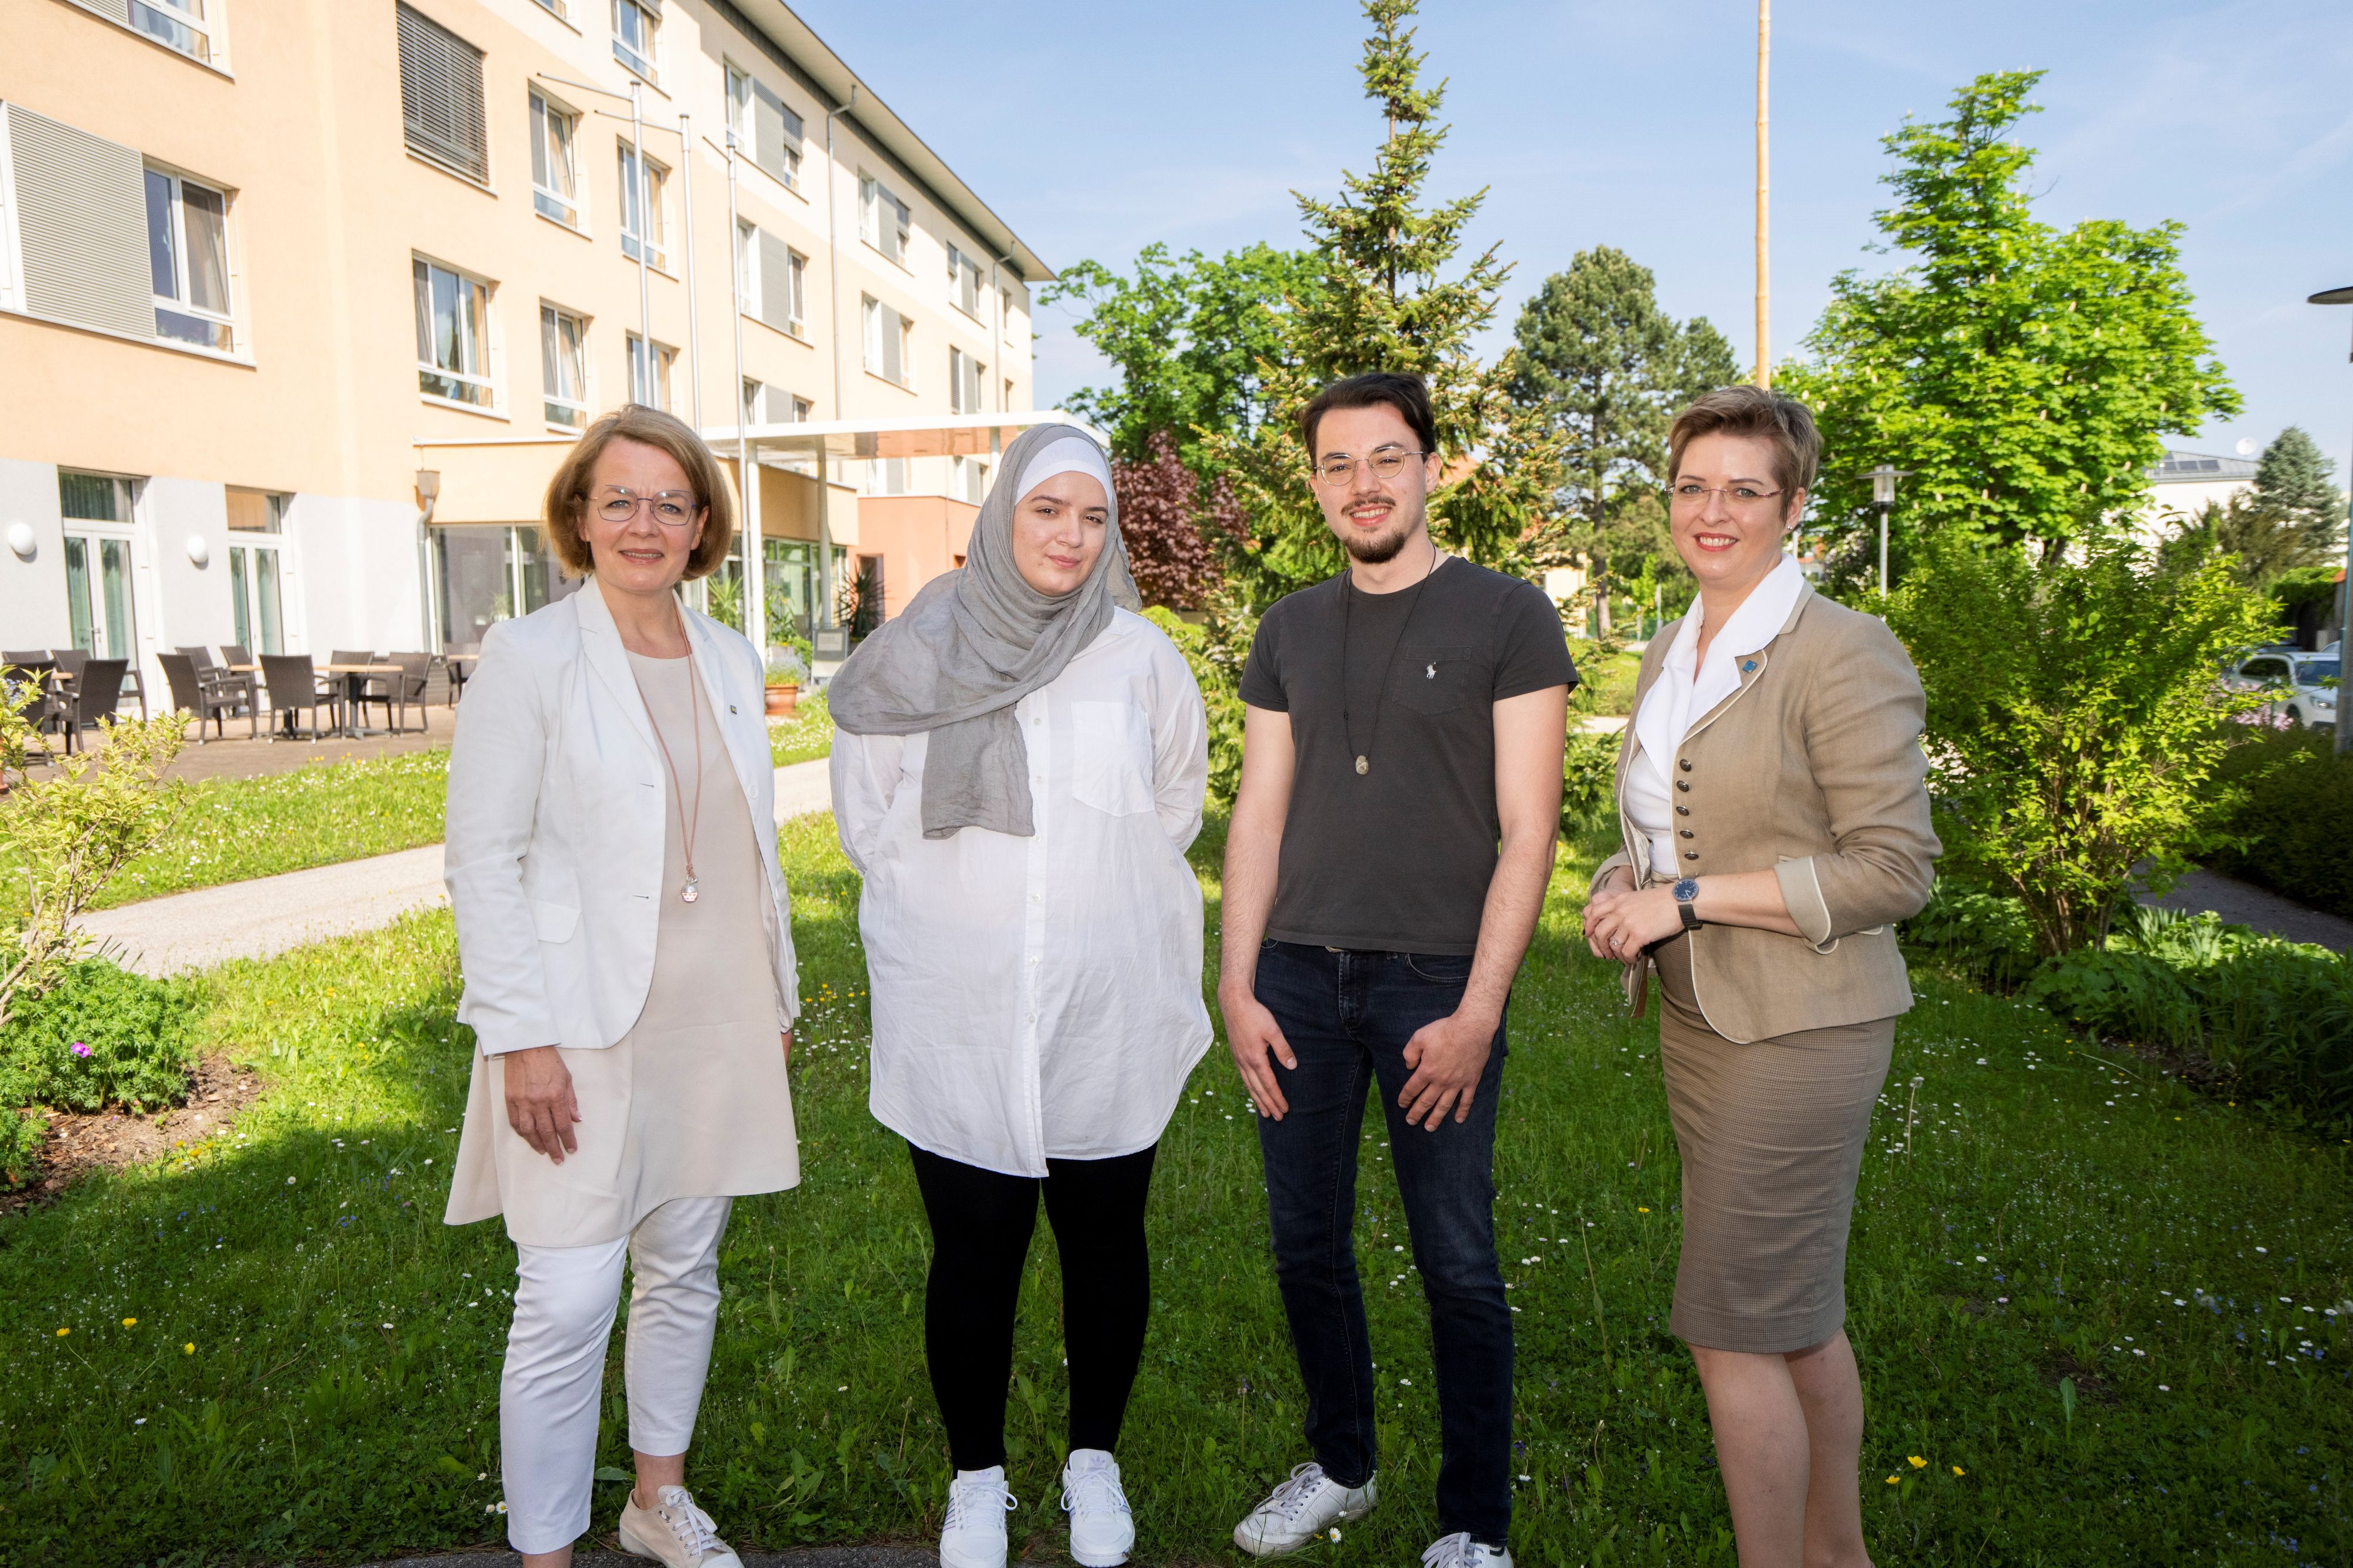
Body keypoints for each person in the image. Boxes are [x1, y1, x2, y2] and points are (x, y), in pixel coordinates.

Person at [828, 425, 1211, 1568]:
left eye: (1091, 517)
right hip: (960, 1016)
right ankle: (976, 1480)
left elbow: (1173, 803)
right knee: (976, 1249)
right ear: (1002, 515)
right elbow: (869, 824)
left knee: (1104, 1241)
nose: (1070, 535)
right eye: (1047, 510)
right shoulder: (915, 652)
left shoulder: (1140, 657)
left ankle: (1092, 1457)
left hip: (1103, 1016)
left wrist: (1091, 915)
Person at [1219, 372, 1575, 1568]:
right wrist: (1234, 984)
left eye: (1384, 458)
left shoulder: (1508, 617)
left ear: (1430, 468)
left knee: (1457, 1256)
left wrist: (1479, 1010)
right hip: (1297, 981)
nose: (1361, 485)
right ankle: (1340, 1463)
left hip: (1436, 984)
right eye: (1335, 464)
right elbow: (1258, 815)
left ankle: (1474, 1523)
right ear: (1313, 484)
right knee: (1301, 1243)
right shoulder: (1286, 629)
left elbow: (1529, 830)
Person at [1580, 385, 1938, 1568]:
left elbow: (1891, 869)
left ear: (1793, 507)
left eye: (1743, 489)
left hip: (1798, 1028)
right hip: (1697, 1017)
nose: (1711, 509)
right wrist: (1617, 880)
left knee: (1730, 1325)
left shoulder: (1841, 650)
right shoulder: (1671, 641)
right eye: (1692, 486)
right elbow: (1676, 826)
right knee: (1792, 1320)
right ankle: (1838, 1553)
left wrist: (1678, 900)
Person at [444, 404, 800, 1568]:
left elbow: (752, 841)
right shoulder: (531, 656)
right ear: (580, 517)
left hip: (716, 1016)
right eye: (620, 499)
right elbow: (480, 861)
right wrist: (521, 1039)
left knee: (682, 1266)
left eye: (670, 501)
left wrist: (775, 1002)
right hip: (578, 1022)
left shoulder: (732, 658)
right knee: (563, 1300)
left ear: (702, 524)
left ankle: (656, 1501)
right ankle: (544, 1553)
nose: (645, 522)